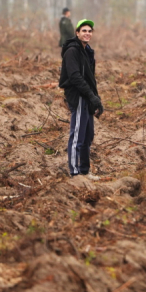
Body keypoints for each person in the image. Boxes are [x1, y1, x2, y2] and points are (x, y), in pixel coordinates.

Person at [59, 19, 103, 180]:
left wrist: (96, 99)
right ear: (77, 33)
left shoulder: (88, 51)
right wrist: (90, 96)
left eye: (90, 31)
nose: (87, 33)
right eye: (84, 30)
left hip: (87, 96)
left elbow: (90, 79)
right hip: (77, 97)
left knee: (88, 135)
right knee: (77, 135)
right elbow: (75, 77)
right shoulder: (72, 51)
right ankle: (75, 173)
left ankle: (84, 171)